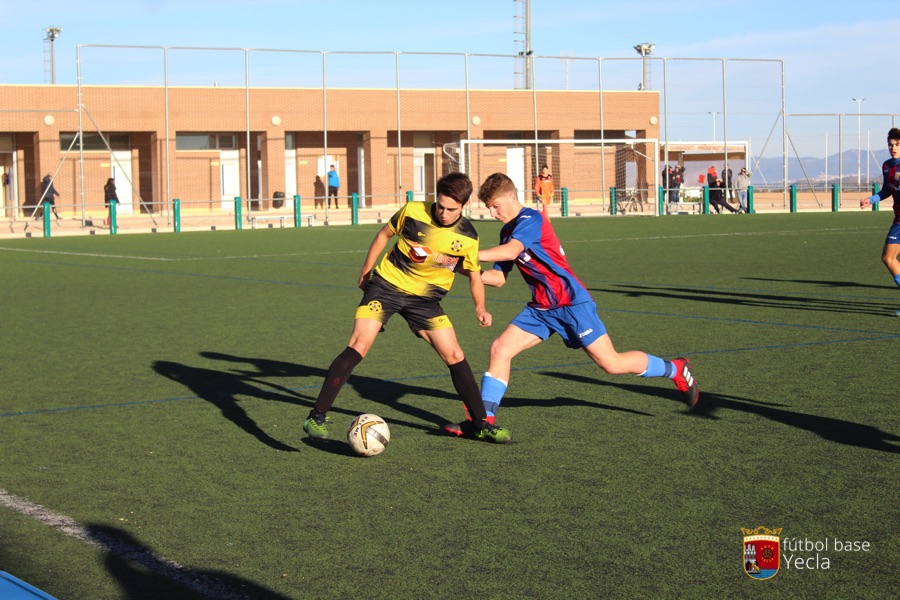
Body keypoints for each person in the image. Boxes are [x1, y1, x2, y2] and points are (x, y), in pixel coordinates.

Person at [444, 173, 698, 434]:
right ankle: (483, 421)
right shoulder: (506, 230)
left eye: (496, 205)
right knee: (500, 349)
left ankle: (675, 368)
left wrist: (465, 253)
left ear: (512, 197)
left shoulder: (531, 219)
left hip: (571, 303)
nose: (493, 212)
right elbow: (497, 278)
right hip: (541, 308)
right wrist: (453, 265)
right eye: (489, 208)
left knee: (611, 364)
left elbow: (510, 252)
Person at [303, 172, 511, 444]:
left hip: (425, 301)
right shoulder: (413, 211)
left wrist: (480, 307)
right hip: (386, 286)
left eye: (452, 209)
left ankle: (481, 424)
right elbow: (384, 234)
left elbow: (473, 275)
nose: (444, 213)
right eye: (440, 206)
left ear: (464, 205)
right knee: (359, 344)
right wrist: (366, 270)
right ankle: (316, 416)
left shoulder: (468, 236)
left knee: (455, 354)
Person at [859, 127, 900, 316]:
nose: (893, 148)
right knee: (887, 258)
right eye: (891, 145)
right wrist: (871, 200)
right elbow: (886, 190)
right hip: (898, 220)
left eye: (897, 144)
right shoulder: (887, 166)